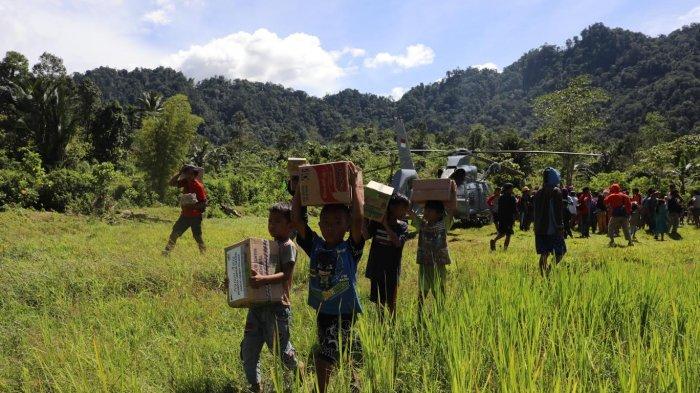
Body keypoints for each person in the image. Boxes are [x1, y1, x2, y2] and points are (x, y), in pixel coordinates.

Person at [291, 162, 364, 393]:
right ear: (319, 224)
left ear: (347, 225)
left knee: (325, 356)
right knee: (337, 348)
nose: (331, 227)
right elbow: (296, 219)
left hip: (345, 312)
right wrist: (300, 191)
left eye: (338, 223)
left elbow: (359, 220)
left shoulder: (351, 248)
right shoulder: (315, 245)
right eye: (327, 223)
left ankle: (322, 389)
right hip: (324, 311)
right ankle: (354, 383)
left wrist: (356, 186)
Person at [239, 202, 299, 393]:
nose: (272, 225)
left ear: (290, 226)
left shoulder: (288, 246)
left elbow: (286, 276)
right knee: (249, 349)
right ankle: (256, 387)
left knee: (281, 352)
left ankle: (300, 374)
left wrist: (263, 280)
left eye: (277, 221)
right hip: (257, 307)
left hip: (277, 308)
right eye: (270, 221)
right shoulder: (266, 246)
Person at [411, 181, 457, 319]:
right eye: (425, 210)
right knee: (422, 290)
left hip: (439, 263)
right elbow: (411, 213)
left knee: (439, 289)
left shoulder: (444, 224)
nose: (426, 212)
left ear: (439, 214)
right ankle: (419, 314)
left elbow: (452, 209)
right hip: (425, 263)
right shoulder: (422, 224)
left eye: (429, 211)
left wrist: (453, 193)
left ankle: (441, 313)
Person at [363, 193, 410, 320]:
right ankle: (381, 325)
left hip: (392, 270)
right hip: (377, 268)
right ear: (391, 208)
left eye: (406, 208)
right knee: (379, 301)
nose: (405, 212)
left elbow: (397, 242)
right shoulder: (376, 223)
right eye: (403, 208)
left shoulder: (403, 226)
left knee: (392, 301)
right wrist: (363, 218)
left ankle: (393, 326)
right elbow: (366, 236)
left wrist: (385, 224)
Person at [163, 165, 207, 255]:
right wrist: (179, 173)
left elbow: (204, 203)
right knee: (174, 234)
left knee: (197, 237)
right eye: (187, 173)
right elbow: (171, 183)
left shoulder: (198, 186)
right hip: (185, 216)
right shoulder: (185, 182)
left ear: (194, 175)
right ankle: (166, 253)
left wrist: (191, 207)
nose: (189, 176)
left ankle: (204, 254)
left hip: (195, 217)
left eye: (191, 174)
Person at [533, 168, 566, 276]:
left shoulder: (538, 193)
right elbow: (557, 212)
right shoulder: (556, 191)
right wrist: (560, 226)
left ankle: (542, 274)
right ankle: (549, 270)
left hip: (539, 228)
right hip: (552, 229)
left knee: (544, 253)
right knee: (560, 252)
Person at [490, 183, 517, 251]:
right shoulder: (512, 197)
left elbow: (500, 209)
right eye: (511, 188)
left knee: (502, 233)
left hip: (502, 218)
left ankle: (494, 240)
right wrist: (515, 217)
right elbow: (514, 209)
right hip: (509, 218)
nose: (512, 190)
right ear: (508, 189)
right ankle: (505, 249)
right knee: (508, 234)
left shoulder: (501, 197)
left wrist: (499, 218)